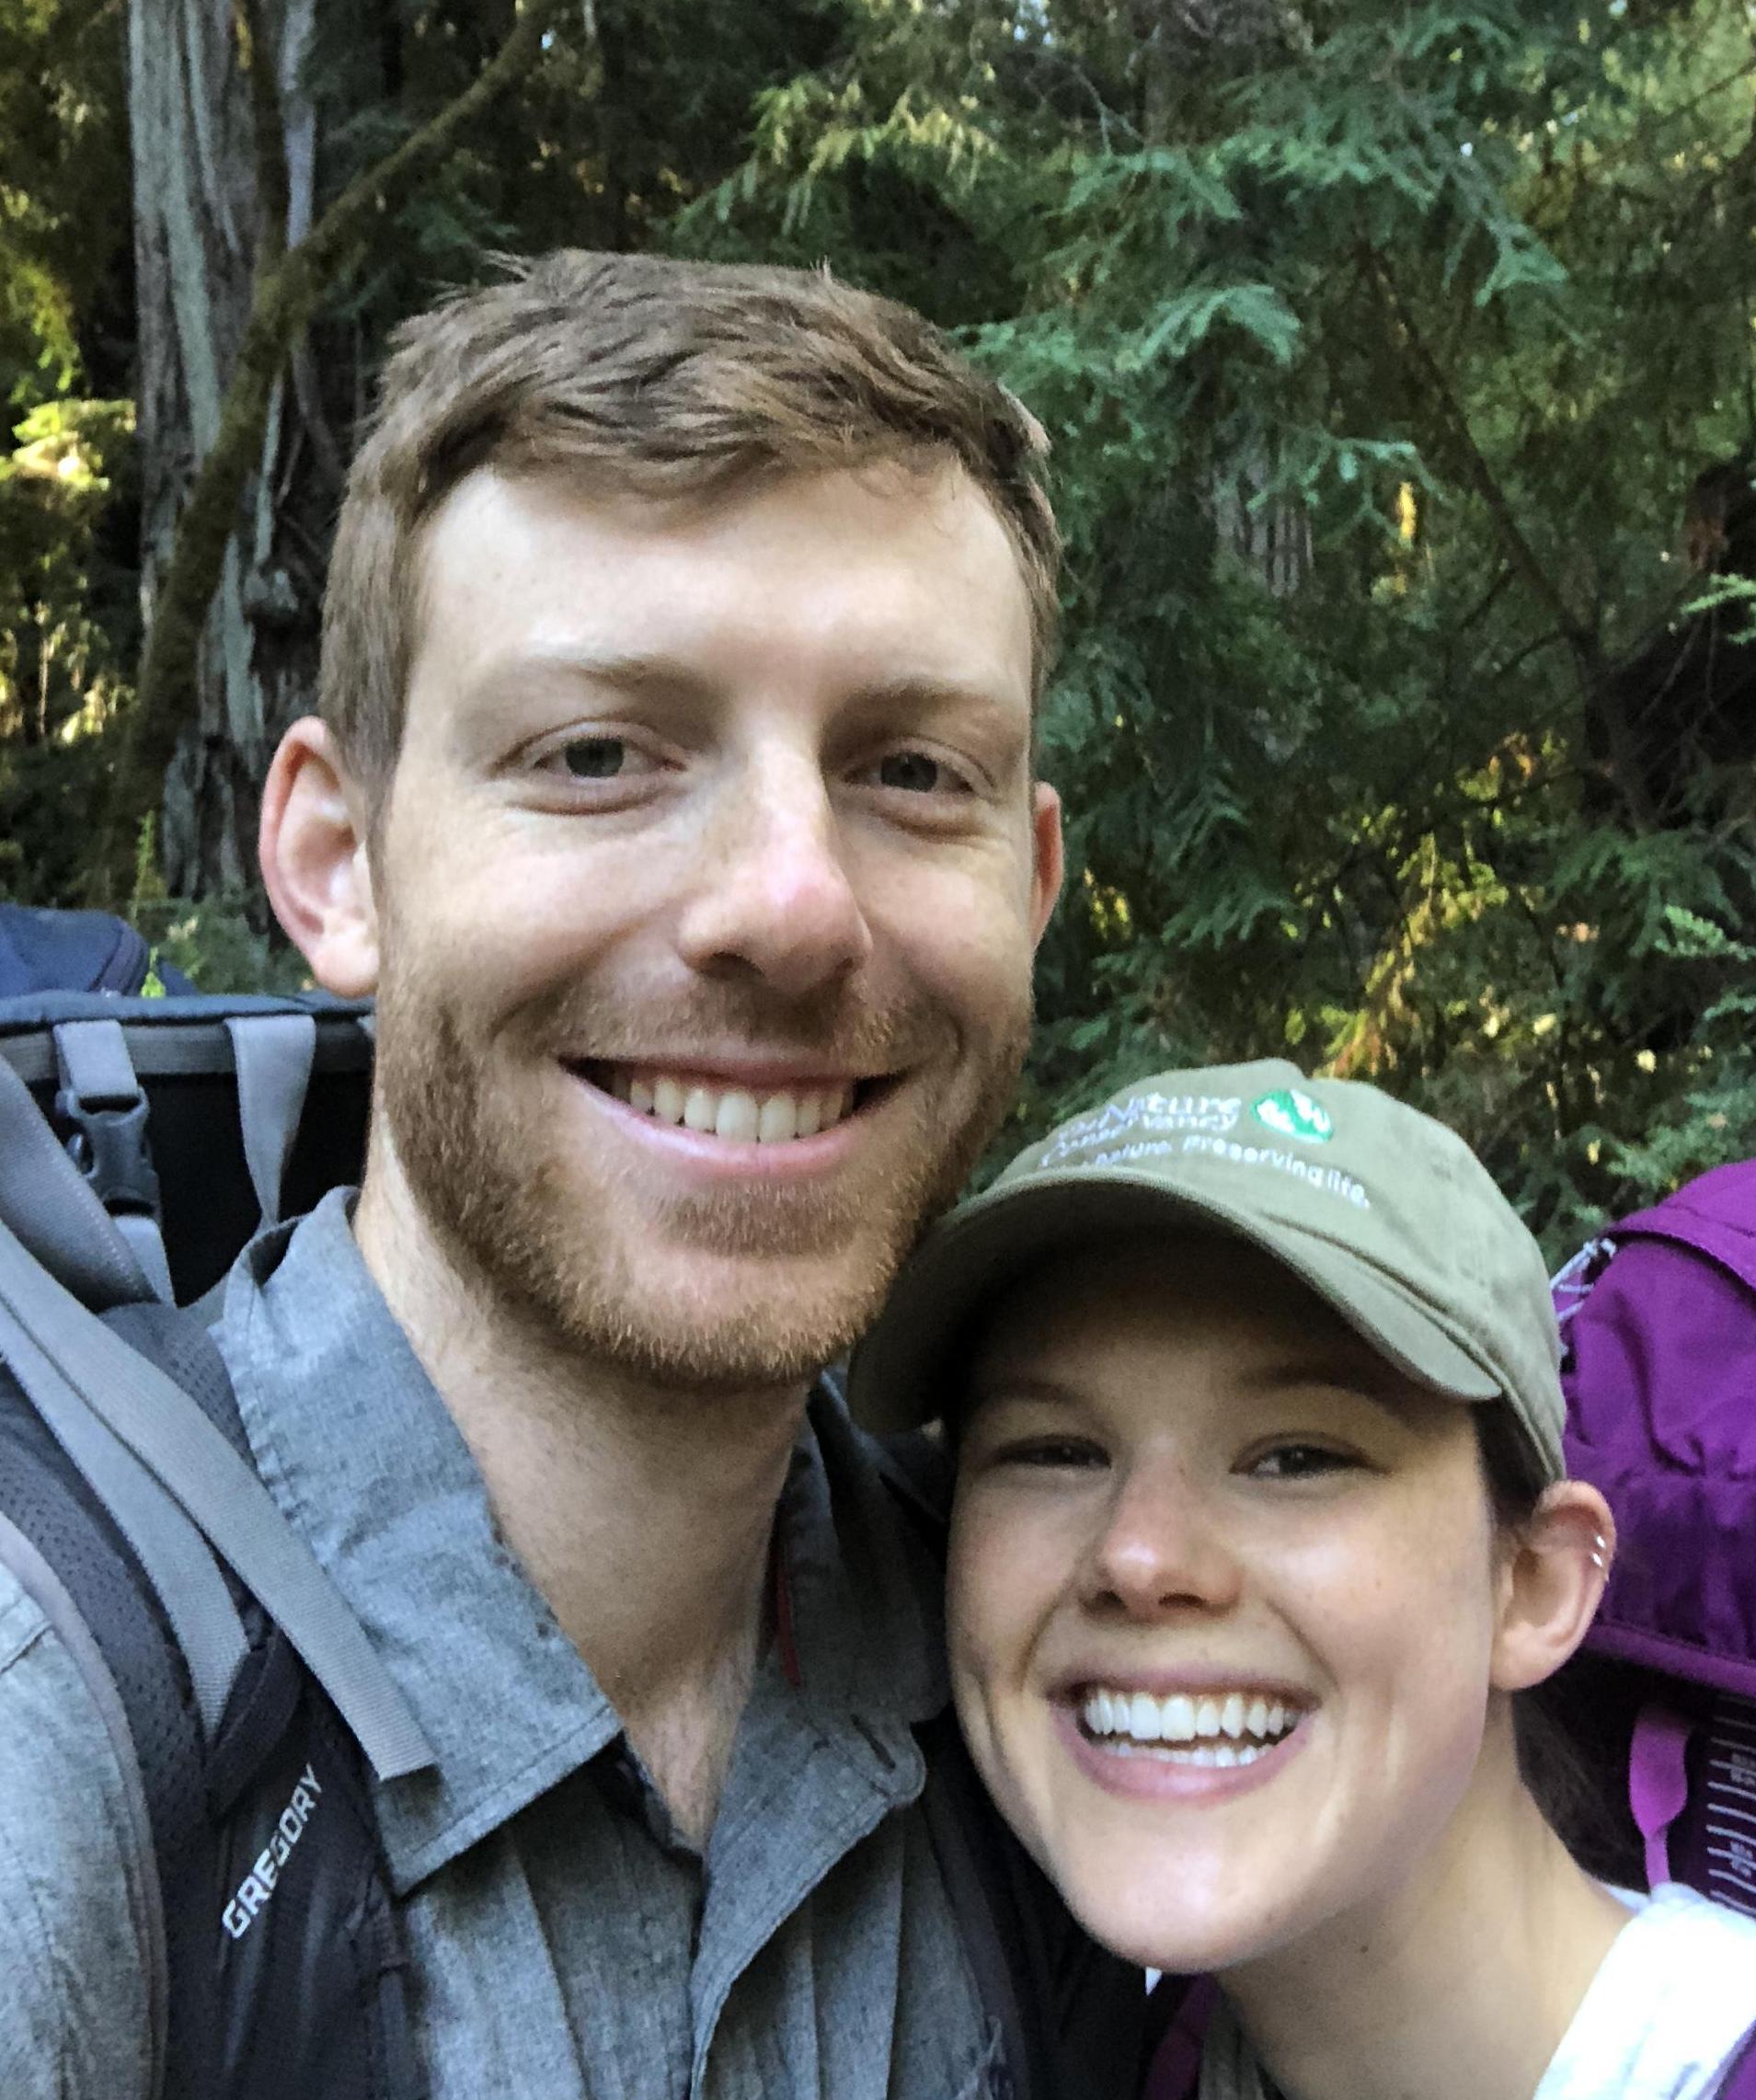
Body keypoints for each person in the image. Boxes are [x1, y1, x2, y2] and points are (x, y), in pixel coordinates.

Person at [0, 253, 1146, 2097]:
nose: (788, 903)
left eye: (910, 768)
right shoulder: (58, 1739)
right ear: (335, 861)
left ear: (1025, 883)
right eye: (600, 752)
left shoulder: (1068, 1703)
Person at [847, 1061, 1756, 2100]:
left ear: (1534, 1585)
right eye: (1053, 1450)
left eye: (1299, 1457)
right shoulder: (1096, 2044)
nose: (1139, 1558)